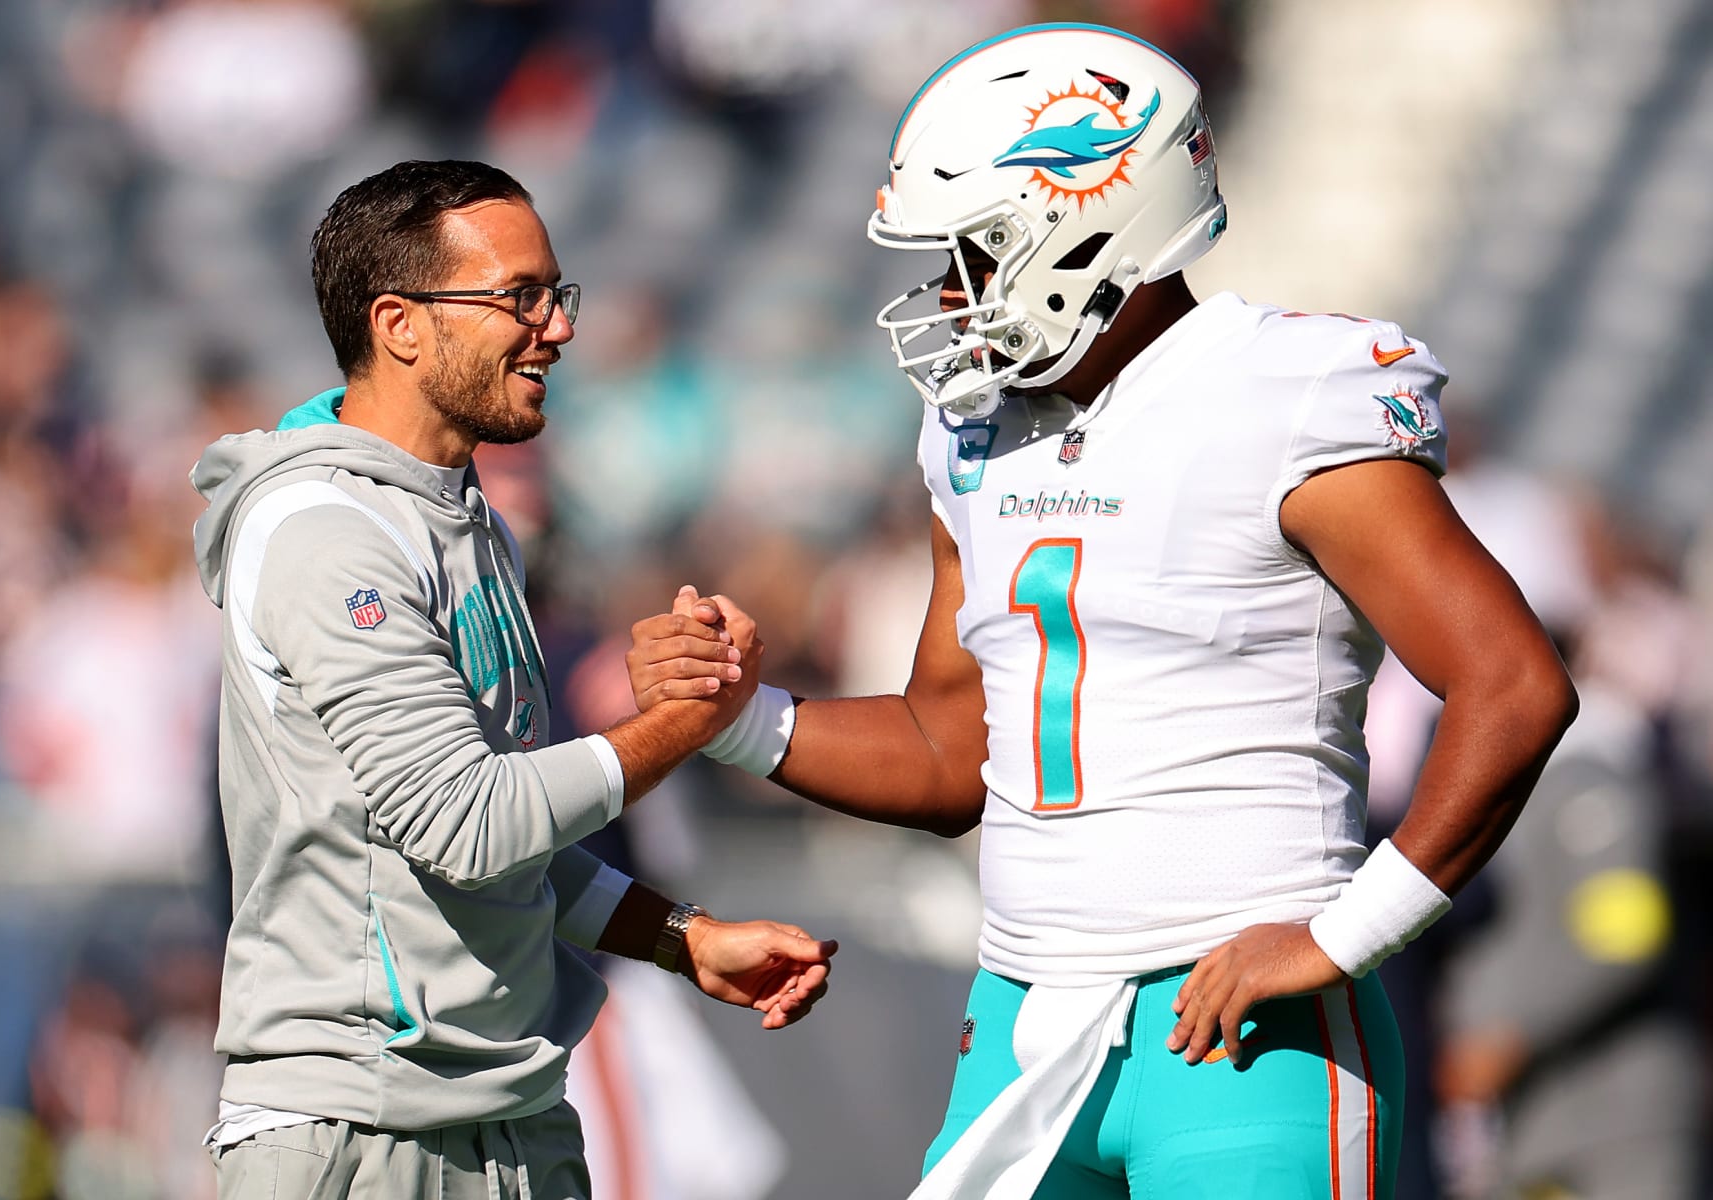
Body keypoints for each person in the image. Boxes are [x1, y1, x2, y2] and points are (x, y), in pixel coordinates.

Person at [626, 24, 1576, 1200]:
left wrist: (1344, 935)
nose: (950, 292)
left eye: (976, 251)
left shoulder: (1293, 393)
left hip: (1242, 1033)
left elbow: (1515, 684)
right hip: (1019, 1019)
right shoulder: (970, 430)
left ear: (1088, 223)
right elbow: (946, 753)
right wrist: (735, 715)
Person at [189, 159, 836, 1200]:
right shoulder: (323, 531)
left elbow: (510, 851)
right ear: (400, 324)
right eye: (519, 297)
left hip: (512, 1119)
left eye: (555, 294)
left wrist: (684, 939)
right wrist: (689, 720)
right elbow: (469, 823)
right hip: (355, 1134)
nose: (558, 327)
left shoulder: (472, 521)